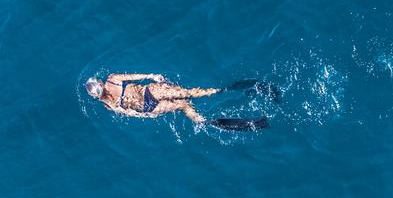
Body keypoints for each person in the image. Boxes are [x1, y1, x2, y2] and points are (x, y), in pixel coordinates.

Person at [85, 73, 270, 130]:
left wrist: (149, 114)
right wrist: (152, 76)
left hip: (147, 107)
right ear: (99, 82)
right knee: (189, 94)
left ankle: (204, 122)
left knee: (182, 105)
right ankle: (224, 90)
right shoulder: (112, 79)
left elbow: (130, 113)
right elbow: (136, 75)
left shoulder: (107, 104)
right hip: (150, 91)